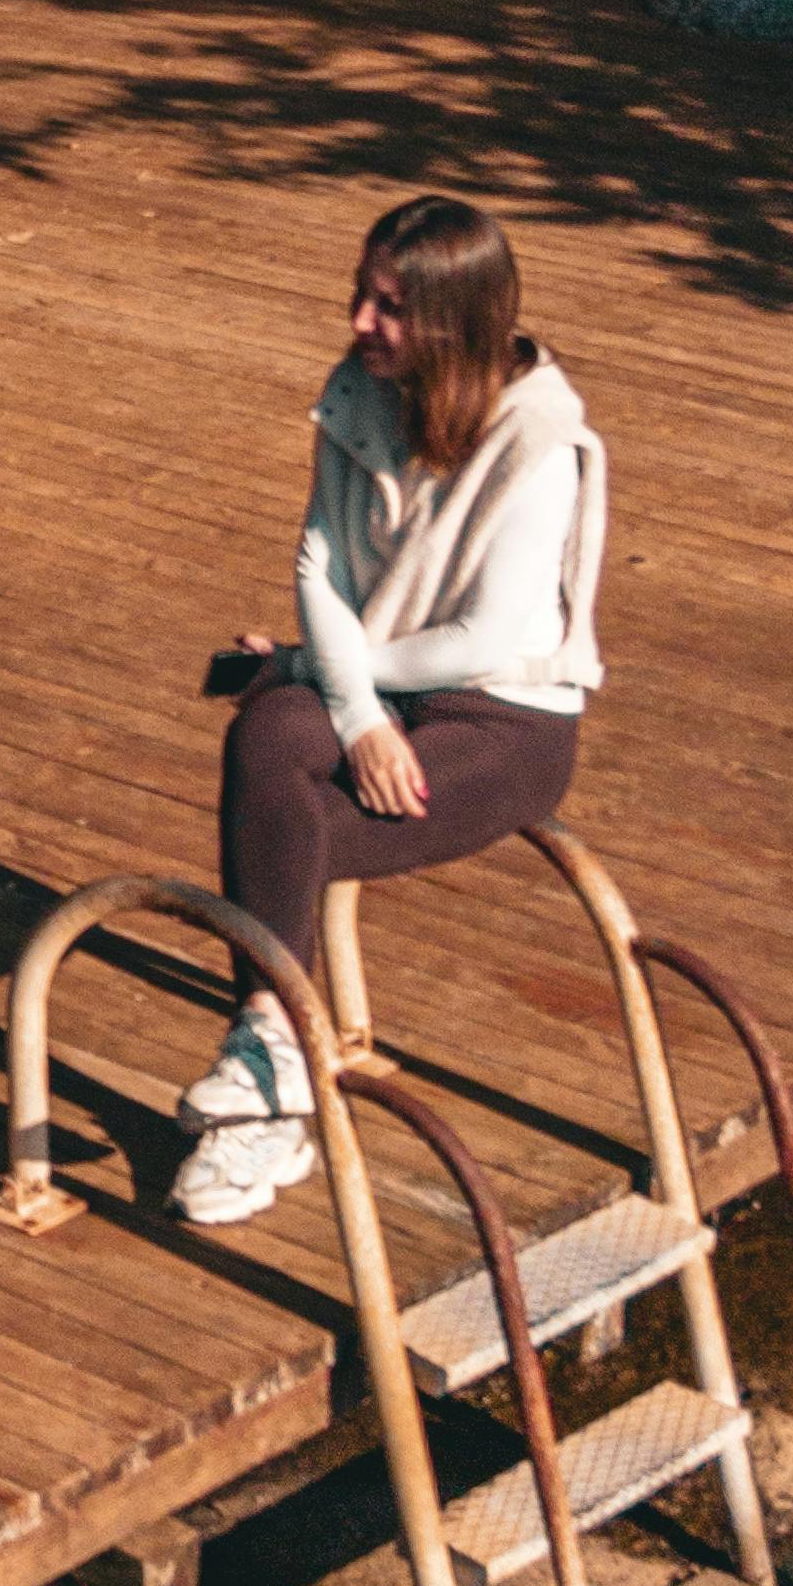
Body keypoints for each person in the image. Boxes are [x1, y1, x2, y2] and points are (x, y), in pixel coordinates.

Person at [170, 195, 608, 1234]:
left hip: (504, 717)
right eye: (362, 293)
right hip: (384, 682)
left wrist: (304, 665)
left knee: (297, 826)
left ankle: (271, 1066)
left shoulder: (539, 442)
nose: (358, 319)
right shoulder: (358, 389)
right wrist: (351, 706)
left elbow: (486, 638)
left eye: (388, 305)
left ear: (453, 322)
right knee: (266, 736)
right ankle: (275, 1053)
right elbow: (316, 560)